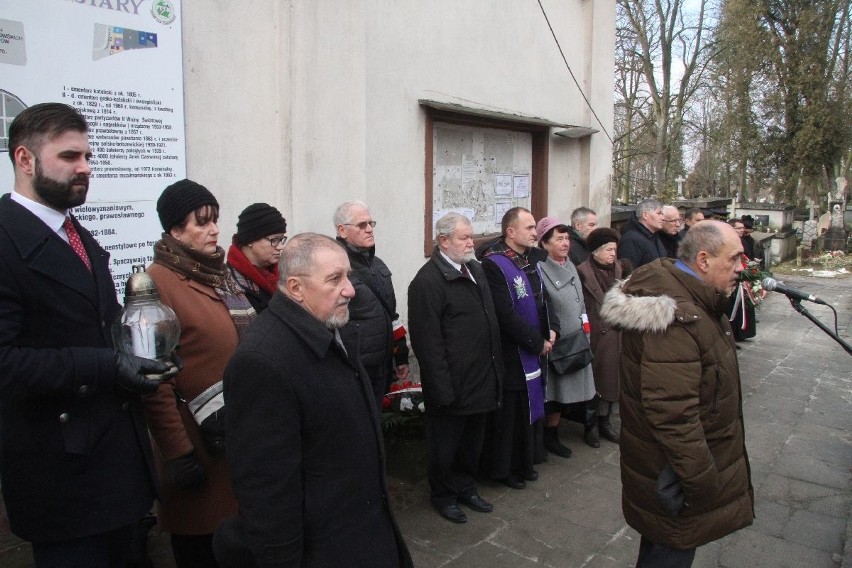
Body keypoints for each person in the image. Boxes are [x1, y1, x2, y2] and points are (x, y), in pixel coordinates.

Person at [0, 102, 168, 567]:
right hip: (61, 477)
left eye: (88, 157)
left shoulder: (76, 234)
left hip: (114, 466)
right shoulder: (6, 238)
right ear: (25, 159)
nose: (85, 168)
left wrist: (145, 351)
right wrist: (108, 365)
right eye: (70, 157)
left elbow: (98, 323)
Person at [219, 233, 413, 567]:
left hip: (363, 530)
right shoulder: (262, 362)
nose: (350, 289)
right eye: (334, 279)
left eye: (348, 276)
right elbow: (267, 492)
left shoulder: (331, 326)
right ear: (295, 288)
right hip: (324, 550)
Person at [600, 221, 754, 567]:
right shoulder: (676, 321)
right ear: (703, 260)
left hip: (673, 473)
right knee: (668, 552)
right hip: (676, 478)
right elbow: (674, 415)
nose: (741, 269)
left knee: (661, 548)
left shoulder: (696, 301)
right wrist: (703, 484)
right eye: (735, 259)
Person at [145, 179, 257, 568]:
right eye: (202, 222)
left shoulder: (219, 274)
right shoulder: (157, 283)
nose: (214, 230)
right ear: (175, 230)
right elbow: (154, 379)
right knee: (203, 548)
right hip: (199, 447)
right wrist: (178, 453)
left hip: (237, 438)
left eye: (215, 220)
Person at [408, 213, 503, 524]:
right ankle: (443, 495)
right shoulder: (427, 282)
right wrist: (442, 389)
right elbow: (427, 344)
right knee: (444, 446)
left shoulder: (475, 269)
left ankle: (465, 486)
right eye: (463, 238)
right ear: (443, 241)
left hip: (481, 378)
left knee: (472, 442)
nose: (470, 242)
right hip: (451, 386)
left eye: (470, 236)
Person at [479, 207, 555, 490]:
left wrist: (550, 329)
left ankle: (524, 462)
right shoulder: (494, 264)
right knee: (510, 415)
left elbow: (541, 300)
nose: (535, 232)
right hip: (512, 352)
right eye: (529, 227)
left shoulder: (529, 260)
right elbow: (504, 314)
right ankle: (505, 469)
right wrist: (537, 342)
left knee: (526, 410)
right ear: (510, 232)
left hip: (533, 347)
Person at [334, 200, 409, 408]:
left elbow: (391, 313)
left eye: (370, 223)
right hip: (355, 367)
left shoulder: (378, 265)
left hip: (382, 365)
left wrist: (400, 355)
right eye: (361, 225)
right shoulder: (336, 268)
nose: (369, 229)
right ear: (342, 230)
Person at [535, 216, 596, 454]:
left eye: (567, 238)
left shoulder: (570, 264)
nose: (565, 243)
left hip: (576, 340)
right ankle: (548, 436)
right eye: (558, 239)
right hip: (556, 343)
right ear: (544, 243)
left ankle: (555, 432)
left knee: (566, 392)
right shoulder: (540, 270)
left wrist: (586, 328)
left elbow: (581, 303)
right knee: (553, 392)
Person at [576, 228, 631, 445]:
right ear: (596, 251)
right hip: (594, 332)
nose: (612, 254)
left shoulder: (619, 269)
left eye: (614, 250)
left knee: (611, 380)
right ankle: (590, 425)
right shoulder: (582, 271)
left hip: (615, 334)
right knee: (593, 381)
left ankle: (605, 422)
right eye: (608, 250)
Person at [226, 202, 288, 312]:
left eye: (281, 239)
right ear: (251, 241)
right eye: (274, 240)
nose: (280, 246)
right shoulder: (229, 283)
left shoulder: (284, 274)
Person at [727, 218, 756, 342]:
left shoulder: (745, 241)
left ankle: (742, 333)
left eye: (742, 228)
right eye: (738, 228)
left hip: (744, 277)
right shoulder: (728, 241)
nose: (742, 230)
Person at [618, 198, 666, 268]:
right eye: (659, 213)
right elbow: (628, 272)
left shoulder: (655, 236)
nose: (663, 218)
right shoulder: (630, 240)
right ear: (645, 215)